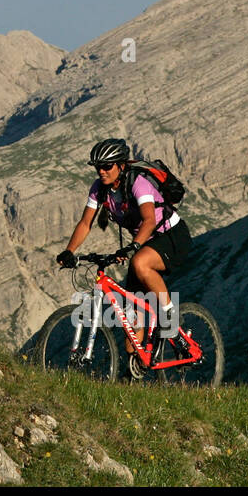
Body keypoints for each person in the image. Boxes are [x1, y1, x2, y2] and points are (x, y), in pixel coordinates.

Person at [55, 138, 193, 353]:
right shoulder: (99, 189)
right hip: (144, 243)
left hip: (172, 236)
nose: (101, 171)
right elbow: (85, 223)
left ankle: (170, 319)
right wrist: (69, 250)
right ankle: (133, 369)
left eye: (107, 166)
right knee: (131, 315)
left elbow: (150, 220)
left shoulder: (138, 182)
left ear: (120, 165)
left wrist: (133, 246)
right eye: (98, 167)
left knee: (140, 263)